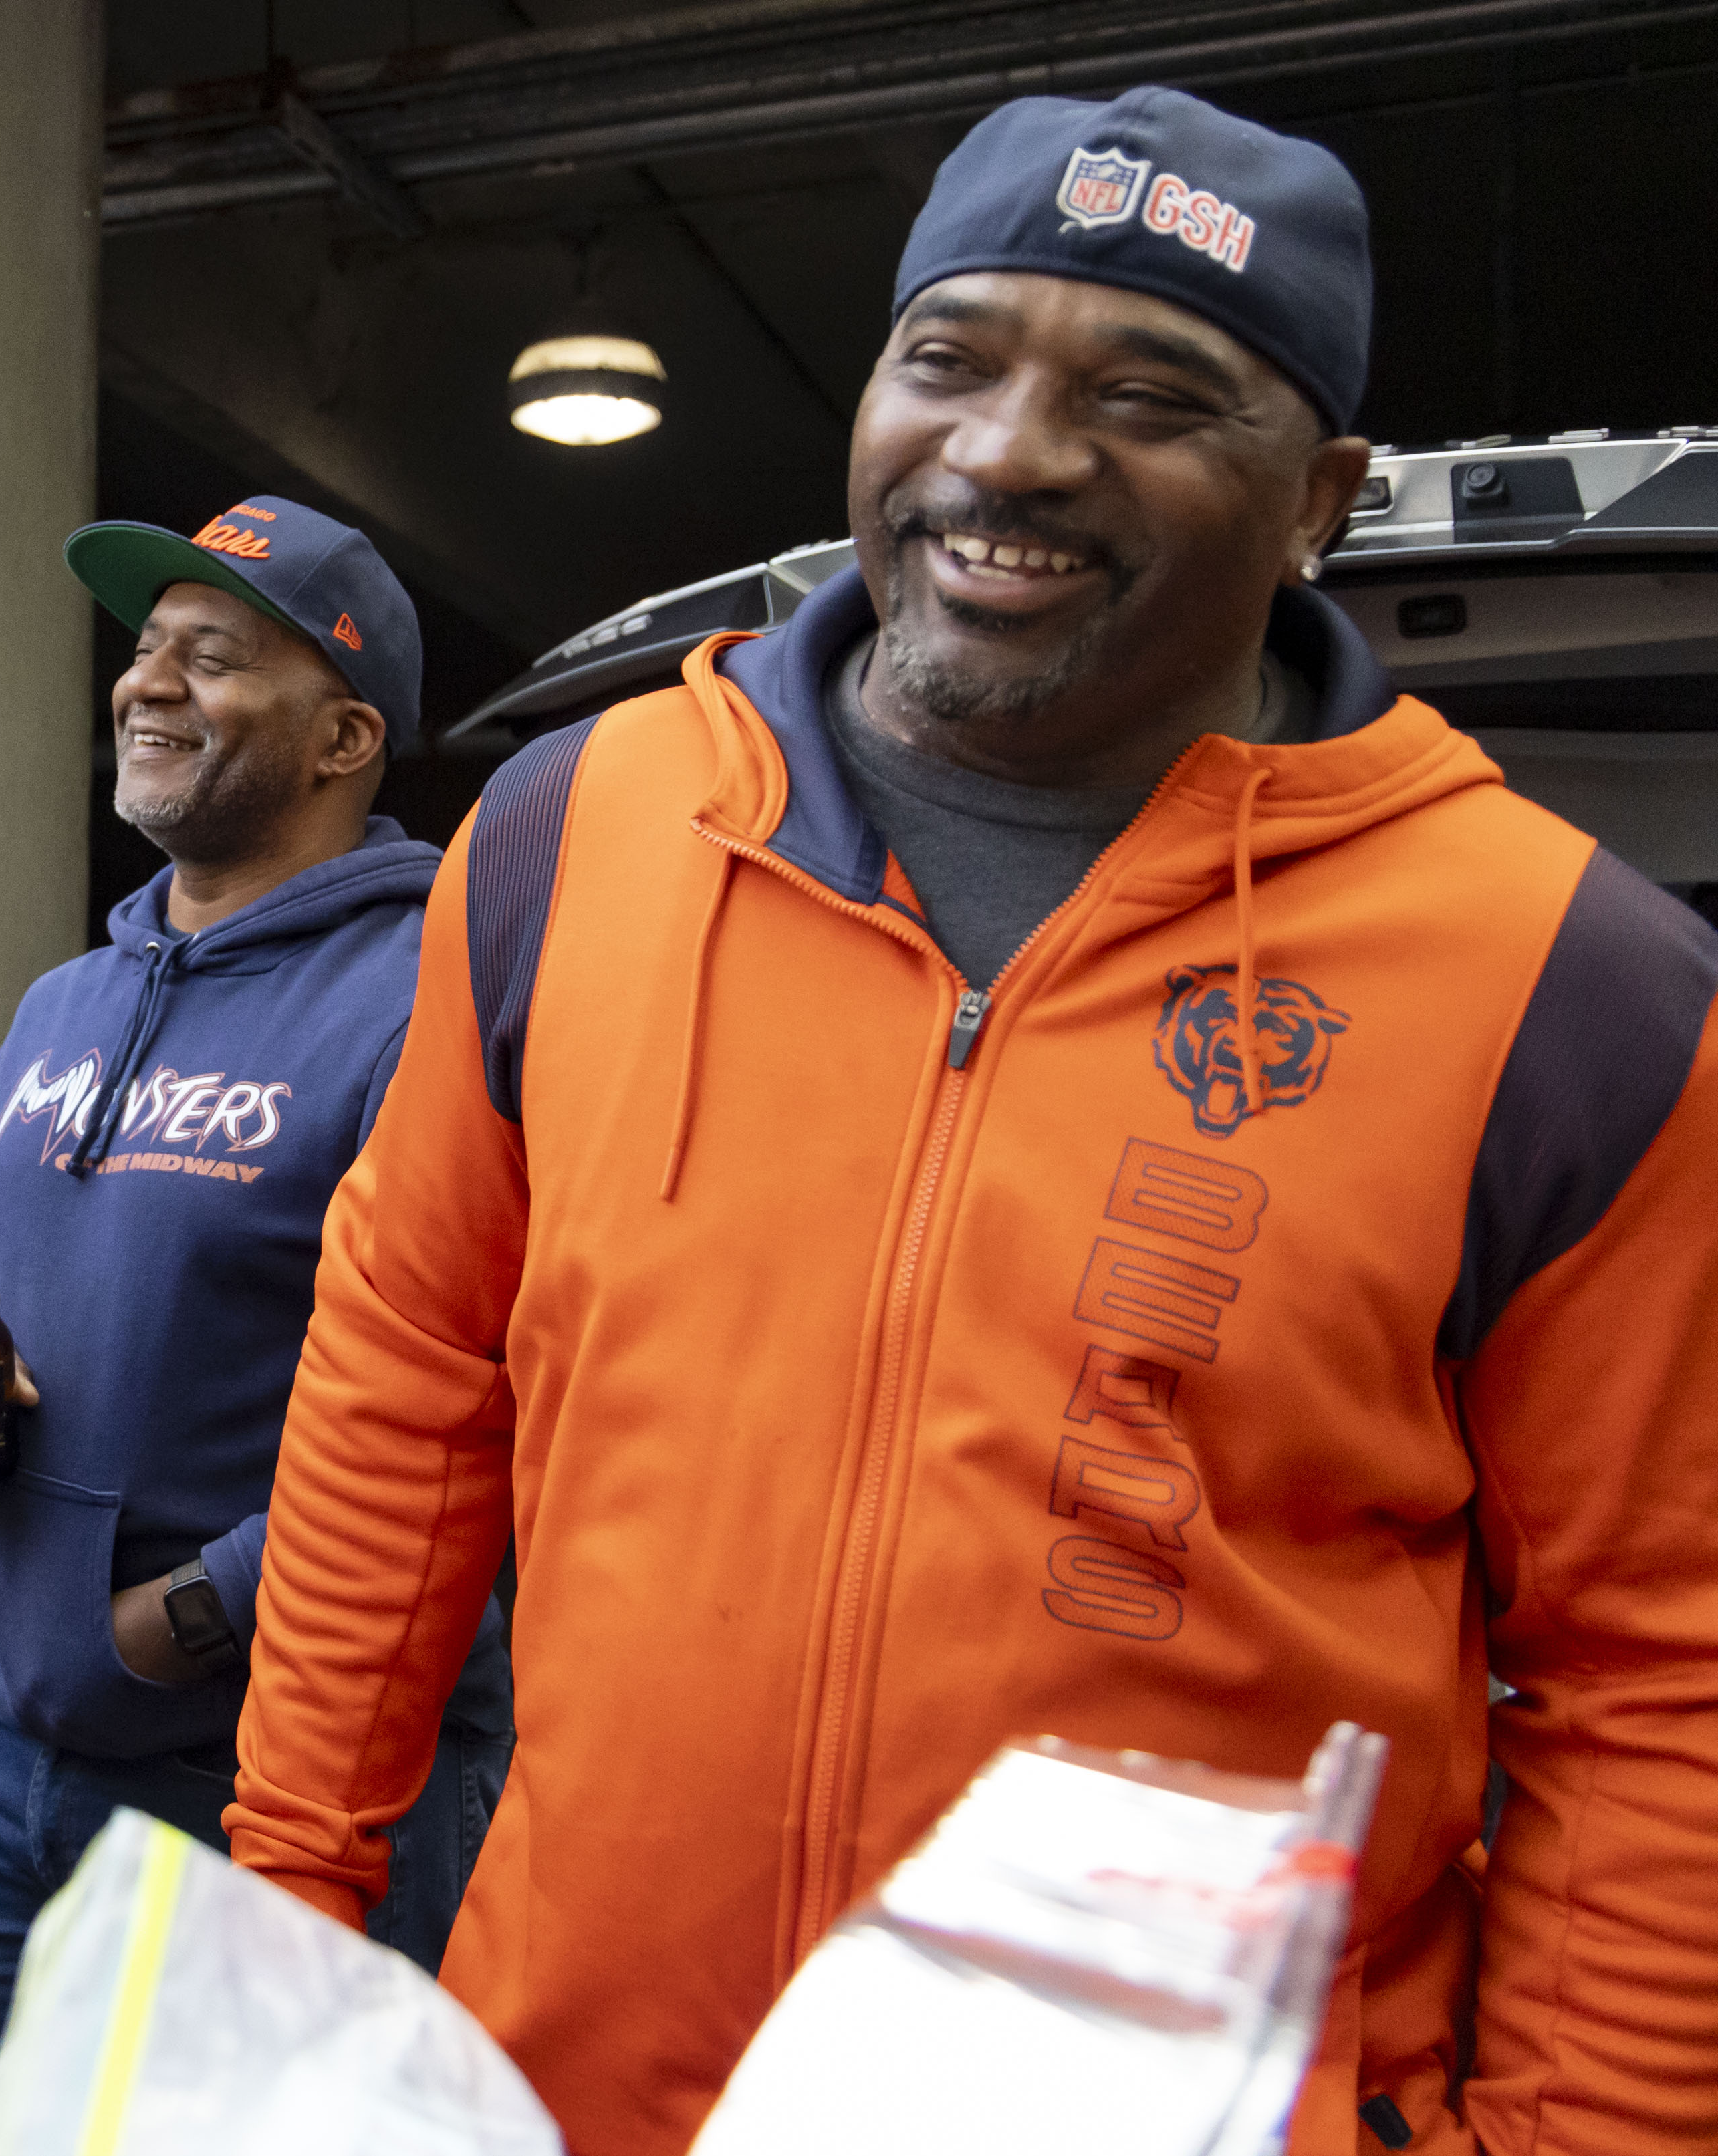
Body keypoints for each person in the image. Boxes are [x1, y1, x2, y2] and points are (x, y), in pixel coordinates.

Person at [226, 88, 1718, 2155]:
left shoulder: (1571, 984)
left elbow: (1660, 1685)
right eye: (950, 359)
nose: (1009, 451)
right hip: (575, 2097)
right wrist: (287, 1930)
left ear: (1322, 500)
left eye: (1150, 393)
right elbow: (399, 1391)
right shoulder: (585, 829)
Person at [0, 497, 513, 2156]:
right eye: (144, 647)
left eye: (211, 655)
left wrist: (195, 1611)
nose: (146, 683)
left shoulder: (436, 992)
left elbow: (498, 1391)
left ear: (343, 736)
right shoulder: (67, 1001)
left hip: (262, 1778)